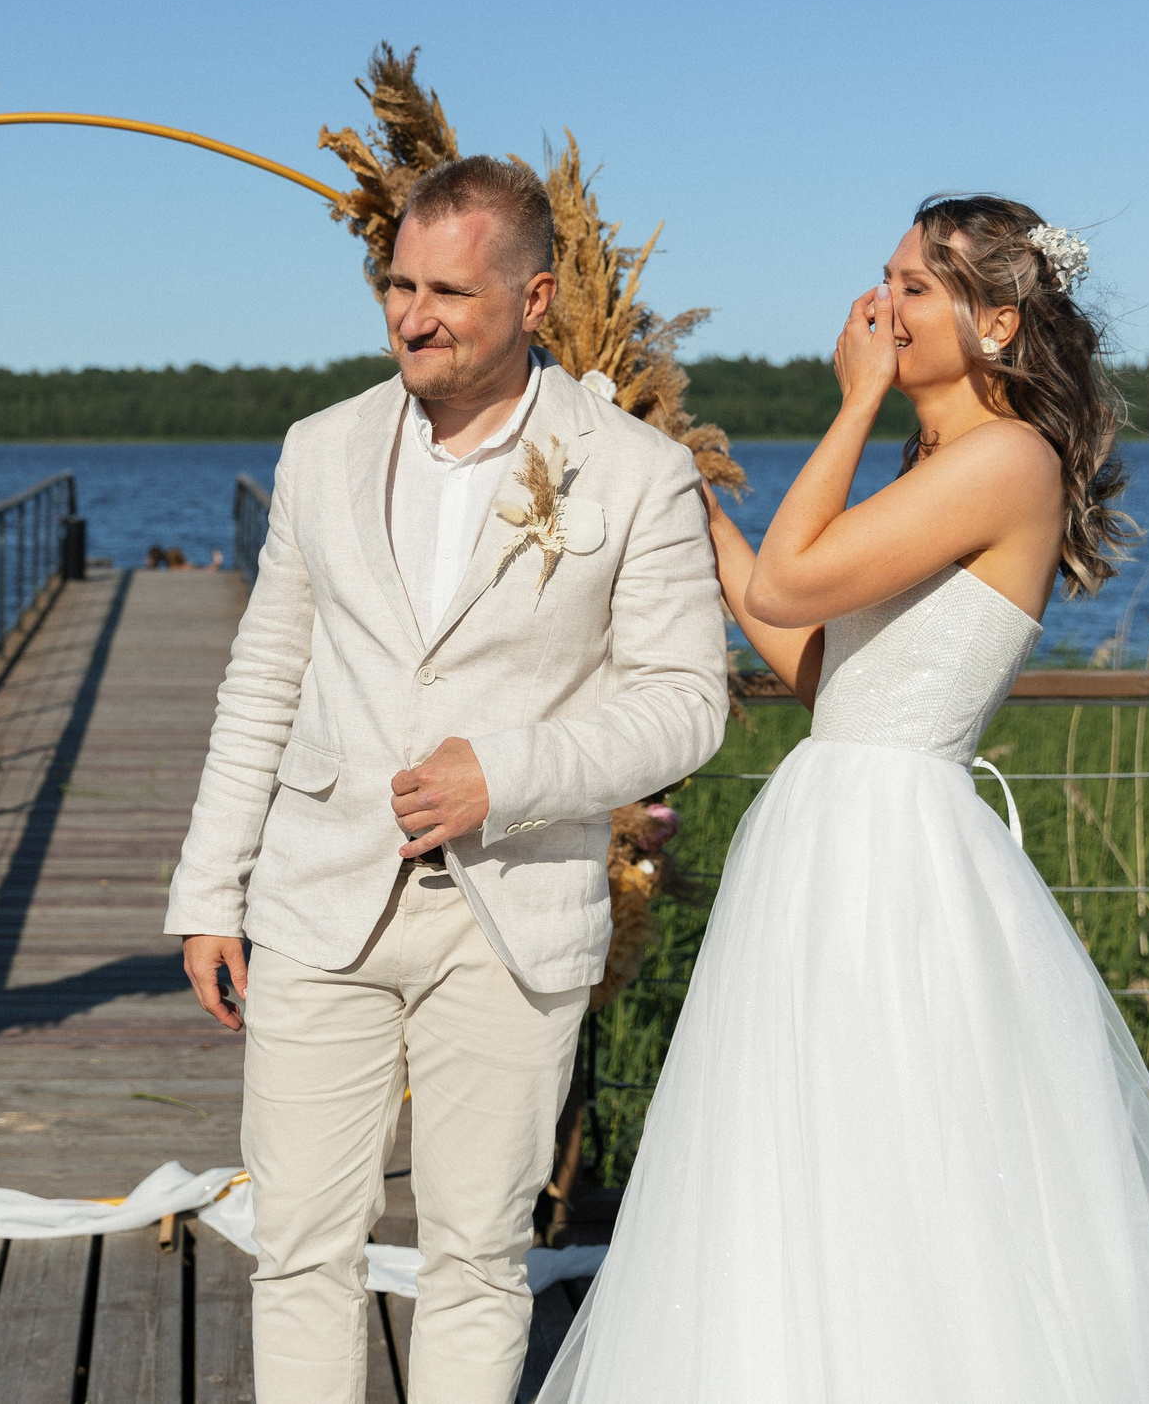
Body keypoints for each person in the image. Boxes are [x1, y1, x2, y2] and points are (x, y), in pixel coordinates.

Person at [534, 197, 1149, 1401]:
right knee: (814, 1161)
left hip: (891, 854)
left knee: (905, 1156)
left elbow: (793, 582)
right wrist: (684, 492)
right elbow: (816, 669)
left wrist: (847, 401)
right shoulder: (938, 463)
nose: (881, 307)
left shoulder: (1006, 460)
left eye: (913, 287)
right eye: (884, 279)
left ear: (996, 320)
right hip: (828, 829)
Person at [164, 156, 728, 1403]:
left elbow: (687, 707)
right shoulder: (320, 448)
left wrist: (509, 771)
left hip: (514, 914)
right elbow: (264, 677)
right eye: (395, 283)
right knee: (298, 1248)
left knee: (478, 1257)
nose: (411, 316)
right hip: (319, 904)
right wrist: (211, 885)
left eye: (448, 293)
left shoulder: (634, 470)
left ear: (532, 302)